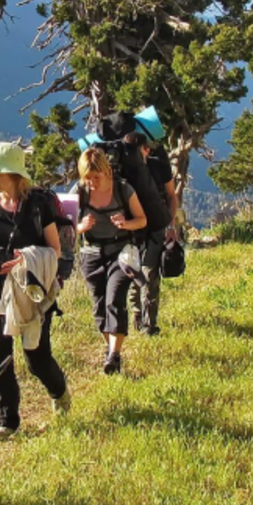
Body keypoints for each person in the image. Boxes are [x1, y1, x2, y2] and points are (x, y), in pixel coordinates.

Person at [0, 141, 71, 441]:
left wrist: (25, 259)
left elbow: (54, 250)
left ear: (15, 175)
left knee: (36, 356)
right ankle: (6, 421)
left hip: (31, 289)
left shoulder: (38, 206)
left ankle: (60, 392)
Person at [76, 146, 146, 374]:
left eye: (95, 177)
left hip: (120, 252)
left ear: (106, 172)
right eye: (87, 178)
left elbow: (142, 220)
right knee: (99, 306)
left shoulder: (123, 189)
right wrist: (81, 227)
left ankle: (114, 355)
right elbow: (66, 228)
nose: (91, 183)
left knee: (114, 299)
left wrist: (125, 224)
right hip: (92, 254)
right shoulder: (79, 191)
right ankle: (110, 351)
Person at [125, 132, 181, 336]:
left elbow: (171, 196)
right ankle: (138, 318)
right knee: (133, 273)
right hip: (131, 228)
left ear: (147, 150)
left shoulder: (158, 165)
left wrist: (170, 226)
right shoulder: (125, 168)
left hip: (156, 226)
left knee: (150, 275)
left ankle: (149, 324)